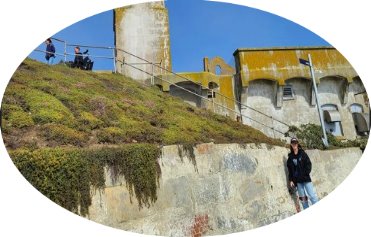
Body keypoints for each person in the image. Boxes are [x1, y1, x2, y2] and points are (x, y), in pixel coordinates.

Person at [287, 137, 318, 210]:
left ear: (297, 144)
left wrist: (305, 173)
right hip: (298, 182)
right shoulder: (290, 157)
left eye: (295, 143)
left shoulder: (302, 153)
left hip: (306, 179)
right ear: (291, 144)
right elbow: (290, 170)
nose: (294, 144)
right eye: (292, 143)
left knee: (312, 196)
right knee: (303, 200)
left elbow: (308, 164)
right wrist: (291, 180)